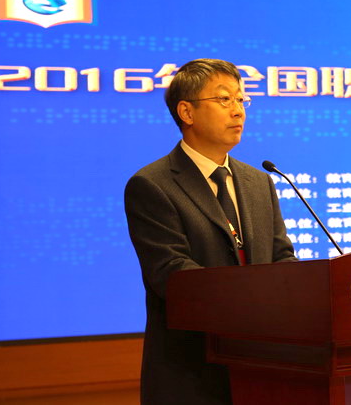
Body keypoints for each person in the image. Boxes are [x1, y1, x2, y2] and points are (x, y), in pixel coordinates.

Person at [124, 58, 296, 405]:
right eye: (223, 99)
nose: (238, 110)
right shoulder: (152, 185)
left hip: (262, 370)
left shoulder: (259, 181)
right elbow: (173, 275)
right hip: (192, 375)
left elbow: (281, 258)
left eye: (241, 99)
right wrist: (253, 307)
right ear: (186, 112)